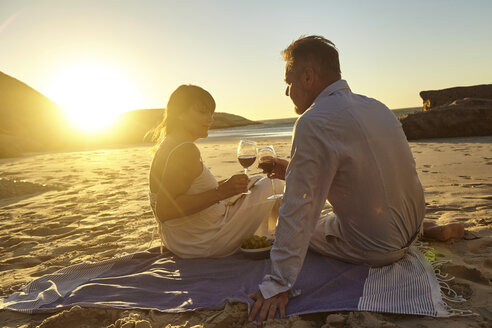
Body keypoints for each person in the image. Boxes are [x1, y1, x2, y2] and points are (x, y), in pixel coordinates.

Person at [248, 35, 463, 325]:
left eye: (289, 82)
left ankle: (407, 235)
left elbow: (299, 212)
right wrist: (294, 171)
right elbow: (364, 176)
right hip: (409, 229)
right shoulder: (378, 107)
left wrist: (277, 284)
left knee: (290, 223)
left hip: (378, 249)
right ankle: (426, 229)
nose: (287, 92)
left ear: (308, 77)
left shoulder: (313, 122)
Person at [148, 84, 281, 258]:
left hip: (184, 239)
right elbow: (165, 210)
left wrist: (228, 186)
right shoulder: (185, 150)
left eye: (211, 113)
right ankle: (271, 237)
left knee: (257, 181)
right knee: (275, 183)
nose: (210, 119)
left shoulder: (169, 144)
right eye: (203, 112)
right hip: (204, 240)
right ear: (180, 114)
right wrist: (223, 191)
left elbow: (186, 189)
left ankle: (265, 236)